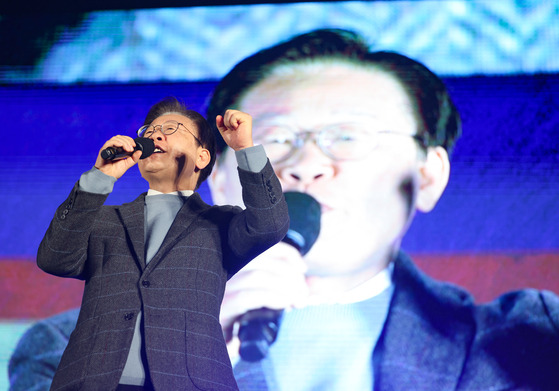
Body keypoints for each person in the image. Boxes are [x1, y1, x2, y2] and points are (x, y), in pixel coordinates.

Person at [204, 29, 559, 390]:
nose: (307, 164)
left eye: (347, 136)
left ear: (427, 176)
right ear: (218, 182)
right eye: (275, 139)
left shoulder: (526, 343)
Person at [34, 97, 289, 391]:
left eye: (171, 128)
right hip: (94, 380)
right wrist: (100, 177)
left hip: (192, 381)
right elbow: (54, 257)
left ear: (202, 158)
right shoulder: (104, 219)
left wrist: (245, 150)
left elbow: (271, 223)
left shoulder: (221, 223)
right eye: (149, 130)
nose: (155, 135)